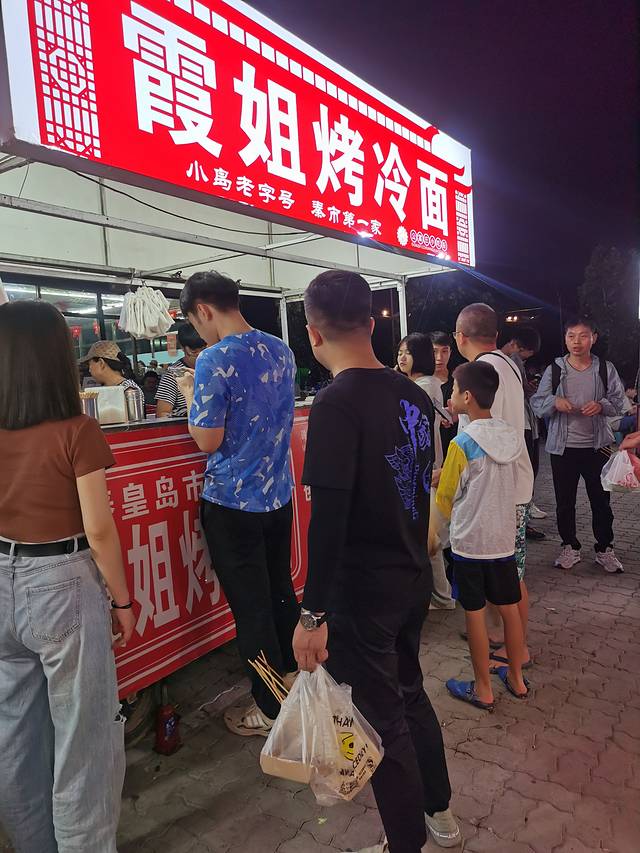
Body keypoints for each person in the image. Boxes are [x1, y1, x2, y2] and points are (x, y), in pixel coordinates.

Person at [293, 271, 460, 853]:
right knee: (409, 694)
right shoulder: (412, 394)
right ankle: (439, 812)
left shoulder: (334, 403)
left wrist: (312, 614)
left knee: (384, 718)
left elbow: (328, 522)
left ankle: (405, 842)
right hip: (410, 578)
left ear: (313, 333)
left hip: (365, 593)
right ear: (370, 323)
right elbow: (418, 484)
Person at [0, 301, 135, 853]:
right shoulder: (78, 431)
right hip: (61, 583)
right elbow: (99, 531)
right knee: (84, 739)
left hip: (2, 580)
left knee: (15, 735)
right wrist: (122, 602)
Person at [176, 271, 299, 736]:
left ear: (203, 310)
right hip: (277, 496)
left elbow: (207, 440)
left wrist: (191, 395)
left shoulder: (214, 358)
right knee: (280, 592)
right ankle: (293, 678)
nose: (199, 332)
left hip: (233, 503)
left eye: (195, 322)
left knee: (252, 610)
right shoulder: (281, 348)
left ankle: (269, 709)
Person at [436, 362, 528, 710]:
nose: (450, 395)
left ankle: (483, 689)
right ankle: (517, 678)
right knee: (509, 609)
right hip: (502, 540)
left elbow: (447, 496)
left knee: (474, 613)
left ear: (468, 397)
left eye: (454, 390)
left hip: (471, 544)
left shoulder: (462, 443)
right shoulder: (510, 435)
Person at [454, 303, 534, 669]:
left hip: (501, 490)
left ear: (460, 337)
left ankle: (519, 650)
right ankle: (502, 637)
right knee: (506, 571)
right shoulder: (507, 364)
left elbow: (484, 439)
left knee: (511, 575)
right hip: (512, 483)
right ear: (496, 335)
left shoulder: (479, 372)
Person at [531, 317, 625, 573]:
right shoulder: (555, 369)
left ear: (593, 338)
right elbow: (537, 403)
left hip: (598, 447)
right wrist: (554, 402)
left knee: (601, 501)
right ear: (565, 339)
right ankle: (569, 546)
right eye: (571, 336)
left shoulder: (605, 368)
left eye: (583, 336)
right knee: (565, 502)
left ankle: (604, 549)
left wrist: (602, 405)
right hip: (563, 448)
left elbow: (619, 402)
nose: (577, 342)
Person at [397, 333, 455, 611]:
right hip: (425, 468)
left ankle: (441, 597)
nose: (401, 358)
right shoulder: (423, 384)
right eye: (399, 352)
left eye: (407, 353)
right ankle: (440, 595)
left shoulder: (423, 386)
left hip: (425, 470)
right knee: (428, 536)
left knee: (429, 537)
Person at [501, 326, 546, 539]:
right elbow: (521, 390)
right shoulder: (511, 360)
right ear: (517, 346)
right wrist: (531, 388)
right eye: (527, 353)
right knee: (525, 472)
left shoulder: (501, 360)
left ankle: (522, 520)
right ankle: (523, 521)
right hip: (521, 426)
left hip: (522, 425)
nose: (526, 357)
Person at [155, 322, 207, 418]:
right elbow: (162, 414)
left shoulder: (215, 368)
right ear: (182, 348)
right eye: (194, 352)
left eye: (204, 350)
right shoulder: (172, 375)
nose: (200, 355)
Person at [79, 340, 144, 407]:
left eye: (90, 364)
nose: (89, 370)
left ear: (101, 363)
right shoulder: (107, 388)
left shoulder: (128, 390)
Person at [431, 331, 458, 458]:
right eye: (434, 351)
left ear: (450, 352)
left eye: (444, 351)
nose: (439, 357)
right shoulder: (421, 383)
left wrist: (456, 416)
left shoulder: (458, 381)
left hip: (453, 443)